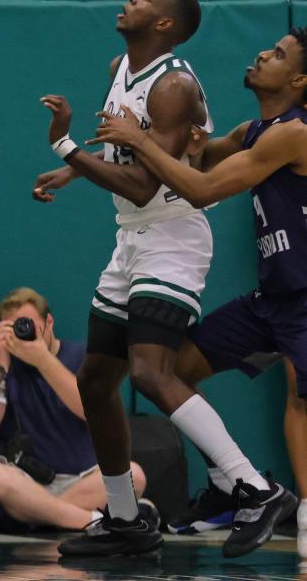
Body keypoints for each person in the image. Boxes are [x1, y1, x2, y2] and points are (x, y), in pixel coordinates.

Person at [36, 0, 278, 560]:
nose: (129, 2)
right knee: (97, 381)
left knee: (149, 370)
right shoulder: (122, 66)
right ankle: (124, 519)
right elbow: (123, 153)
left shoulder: (173, 87)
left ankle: (255, 487)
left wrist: (66, 148)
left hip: (172, 237)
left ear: (164, 25)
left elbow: (146, 186)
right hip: (131, 239)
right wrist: (79, 169)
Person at [92, 27, 307, 555]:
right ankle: (226, 482)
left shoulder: (295, 133)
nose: (262, 53)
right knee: (176, 370)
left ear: (299, 80)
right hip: (272, 299)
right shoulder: (254, 130)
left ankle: (275, 499)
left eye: (278, 54)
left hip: (306, 301)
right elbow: (194, 159)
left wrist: (139, 139)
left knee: (301, 400)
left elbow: (201, 188)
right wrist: (147, 134)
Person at [0, 287, 148, 532]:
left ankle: (39, 518)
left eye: (27, 324)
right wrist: (1, 361)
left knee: (133, 475)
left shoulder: (81, 356)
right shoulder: (0, 366)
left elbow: (91, 410)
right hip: (27, 485)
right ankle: (93, 520)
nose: (21, 333)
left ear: (49, 322)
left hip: (82, 481)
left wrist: (42, 360)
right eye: (11, 328)